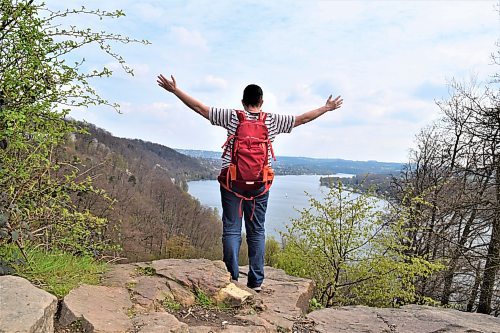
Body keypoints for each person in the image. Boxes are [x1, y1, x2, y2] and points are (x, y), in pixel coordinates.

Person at [157, 73, 343, 291]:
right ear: (261, 102)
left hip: (231, 182)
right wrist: (326, 108)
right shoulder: (272, 120)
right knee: (256, 231)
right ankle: (255, 283)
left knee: (232, 230)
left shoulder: (231, 117)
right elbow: (302, 119)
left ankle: (232, 279)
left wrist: (175, 90)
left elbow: (200, 108)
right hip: (259, 186)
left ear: (243, 102)